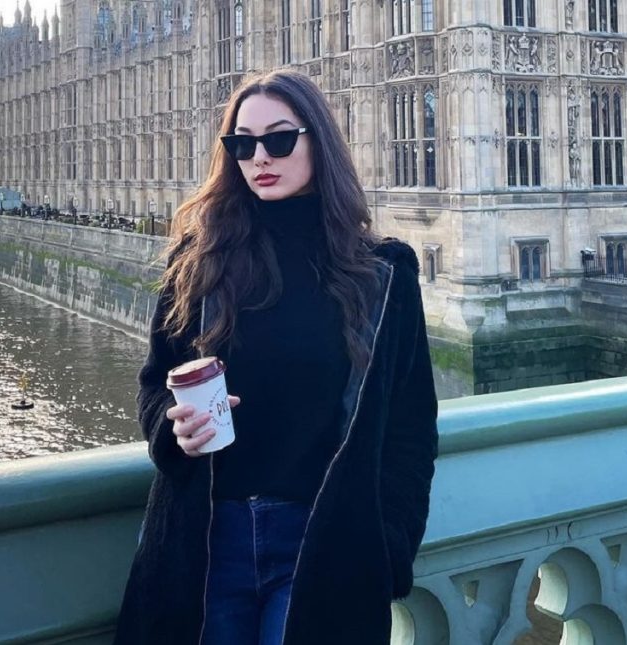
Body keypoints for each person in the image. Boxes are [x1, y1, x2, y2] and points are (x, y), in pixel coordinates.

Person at [114, 69, 438, 645]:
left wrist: (389, 549)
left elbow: (411, 429)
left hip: (324, 544)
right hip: (207, 540)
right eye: (242, 144)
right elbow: (154, 383)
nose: (259, 157)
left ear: (319, 141)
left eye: (279, 139)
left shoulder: (383, 275)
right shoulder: (199, 261)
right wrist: (173, 428)